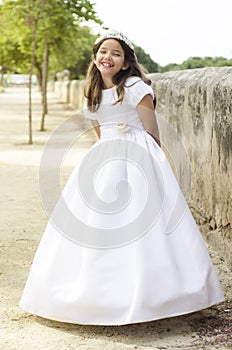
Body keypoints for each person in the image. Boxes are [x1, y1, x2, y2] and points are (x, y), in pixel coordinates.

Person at [19, 30, 224, 325]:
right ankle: (100, 293)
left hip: (139, 156)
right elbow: (100, 131)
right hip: (105, 158)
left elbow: (153, 133)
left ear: (126, 63)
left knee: (144, 223)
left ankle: (158, 293)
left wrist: (157, 171)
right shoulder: (91, 92)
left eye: (116, 54)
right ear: (95, 57)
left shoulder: (135, 87)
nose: (108, 57)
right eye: (104, 51)